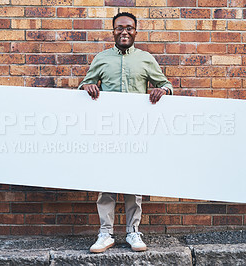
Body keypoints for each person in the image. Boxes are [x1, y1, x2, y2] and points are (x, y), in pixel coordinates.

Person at [78, 12, 173, 253]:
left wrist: (162, 91)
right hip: (108, 130)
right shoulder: (101, 58)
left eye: (129, 28)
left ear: (135, 32)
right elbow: (84, 86)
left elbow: (166, 84)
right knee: (107, 182)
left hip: (136, 131)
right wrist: (87, 86)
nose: (124, 32)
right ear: (113, 31)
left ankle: (133, 232)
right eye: (120, 28)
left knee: (134, 181)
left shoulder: (145, 59)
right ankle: (106, 233)